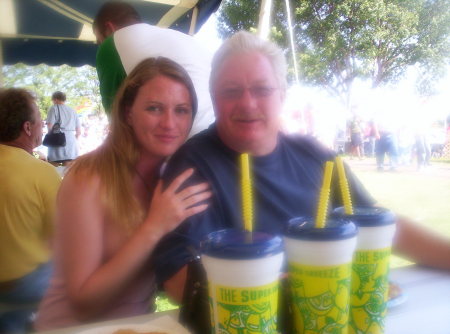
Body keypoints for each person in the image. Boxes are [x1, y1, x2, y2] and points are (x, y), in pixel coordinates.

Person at [151, 31, 450, 303]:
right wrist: (302, 289)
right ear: (214, 98)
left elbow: (381, 227)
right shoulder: (191, 167)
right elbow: (178, 279)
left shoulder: (315, 156)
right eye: (231, 91)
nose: (247, 103)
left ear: (282, 94)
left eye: (261, 89)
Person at [34, 57, 211, 330]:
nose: (169, 123)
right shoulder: (89, 177)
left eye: (181, 110)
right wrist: (155, 227)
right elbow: (84, 302)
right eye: (154, 108)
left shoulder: (169, 178)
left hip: (137, 326)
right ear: (128, 112)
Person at [93, 0, 215, 137]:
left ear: (109, 28)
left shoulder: (111, 44)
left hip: (181, 146)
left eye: (99, 41)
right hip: (220, 144)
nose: (100, 45)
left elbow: (117, 124)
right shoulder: (187, 40)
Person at [0, 88, 61, 333]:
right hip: (24, 285)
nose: (43, 124)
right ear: (28, 128)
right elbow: (62, 237)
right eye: (39, 118)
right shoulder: (41, 172)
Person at [46, 91, 81, 166]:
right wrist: (73, 139)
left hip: (57, 139)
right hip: (71, 141)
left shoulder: (54, 108)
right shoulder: (73, 110)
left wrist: (49, 137)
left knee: (54, 166)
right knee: (67, 170)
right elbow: (78, 131)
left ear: (55, 99)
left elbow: (50, 125)